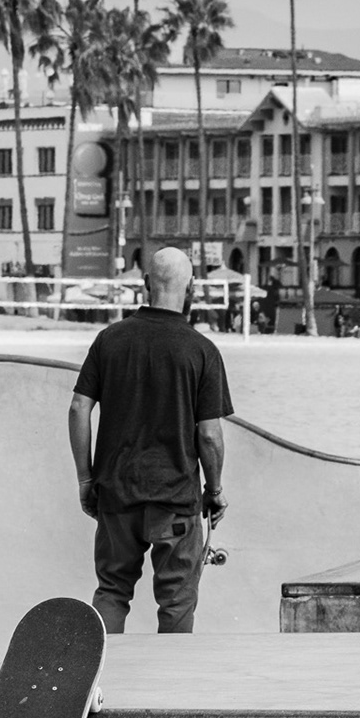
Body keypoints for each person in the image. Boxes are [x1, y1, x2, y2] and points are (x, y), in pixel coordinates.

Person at [69, 246, 232, 634]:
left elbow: (78, 408)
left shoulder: (110, 340)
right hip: (174, 501)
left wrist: (86, 479)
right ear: (190, 286)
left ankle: (99, 684)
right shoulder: (201, 350)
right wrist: (215, 489)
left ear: (145, 284)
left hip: (116, 494)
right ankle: (170, 687)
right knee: (176, 600)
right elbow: (209, 435)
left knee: (112, 591)